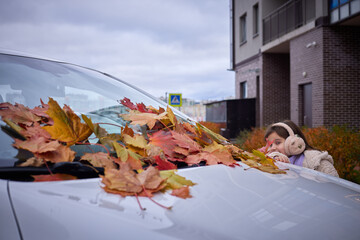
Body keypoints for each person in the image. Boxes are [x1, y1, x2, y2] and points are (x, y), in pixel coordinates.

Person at [264, 120, 339, 177]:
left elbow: (335, 185)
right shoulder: (274, 160)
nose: (272, 148)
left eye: (278, 143)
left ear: (293, 142)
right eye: (270, 144)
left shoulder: (316, 161)